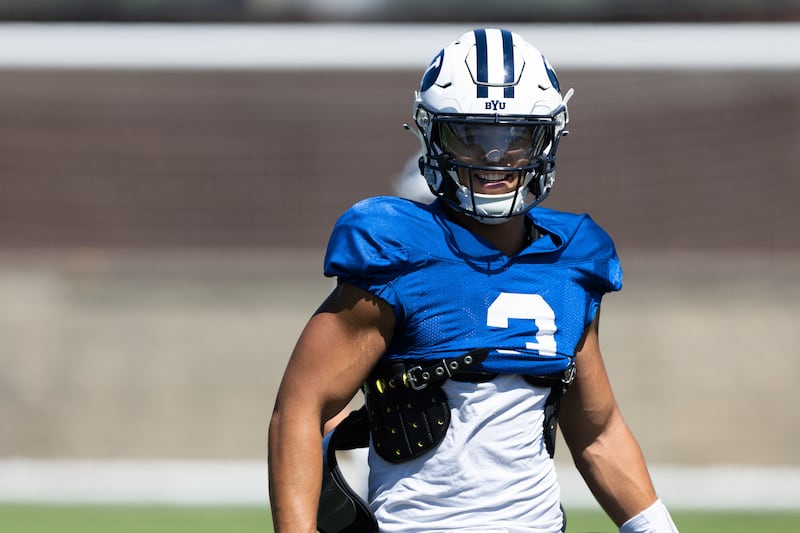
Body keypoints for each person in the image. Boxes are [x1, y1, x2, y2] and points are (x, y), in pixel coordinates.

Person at [268, 28, 679, 533]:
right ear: (431, 136)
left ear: (548, 139)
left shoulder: (570, 261)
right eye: (470, 135)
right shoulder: (398, 250)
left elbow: (597, 431)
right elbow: (301, 407)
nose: (493, 159)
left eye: (515, 137)